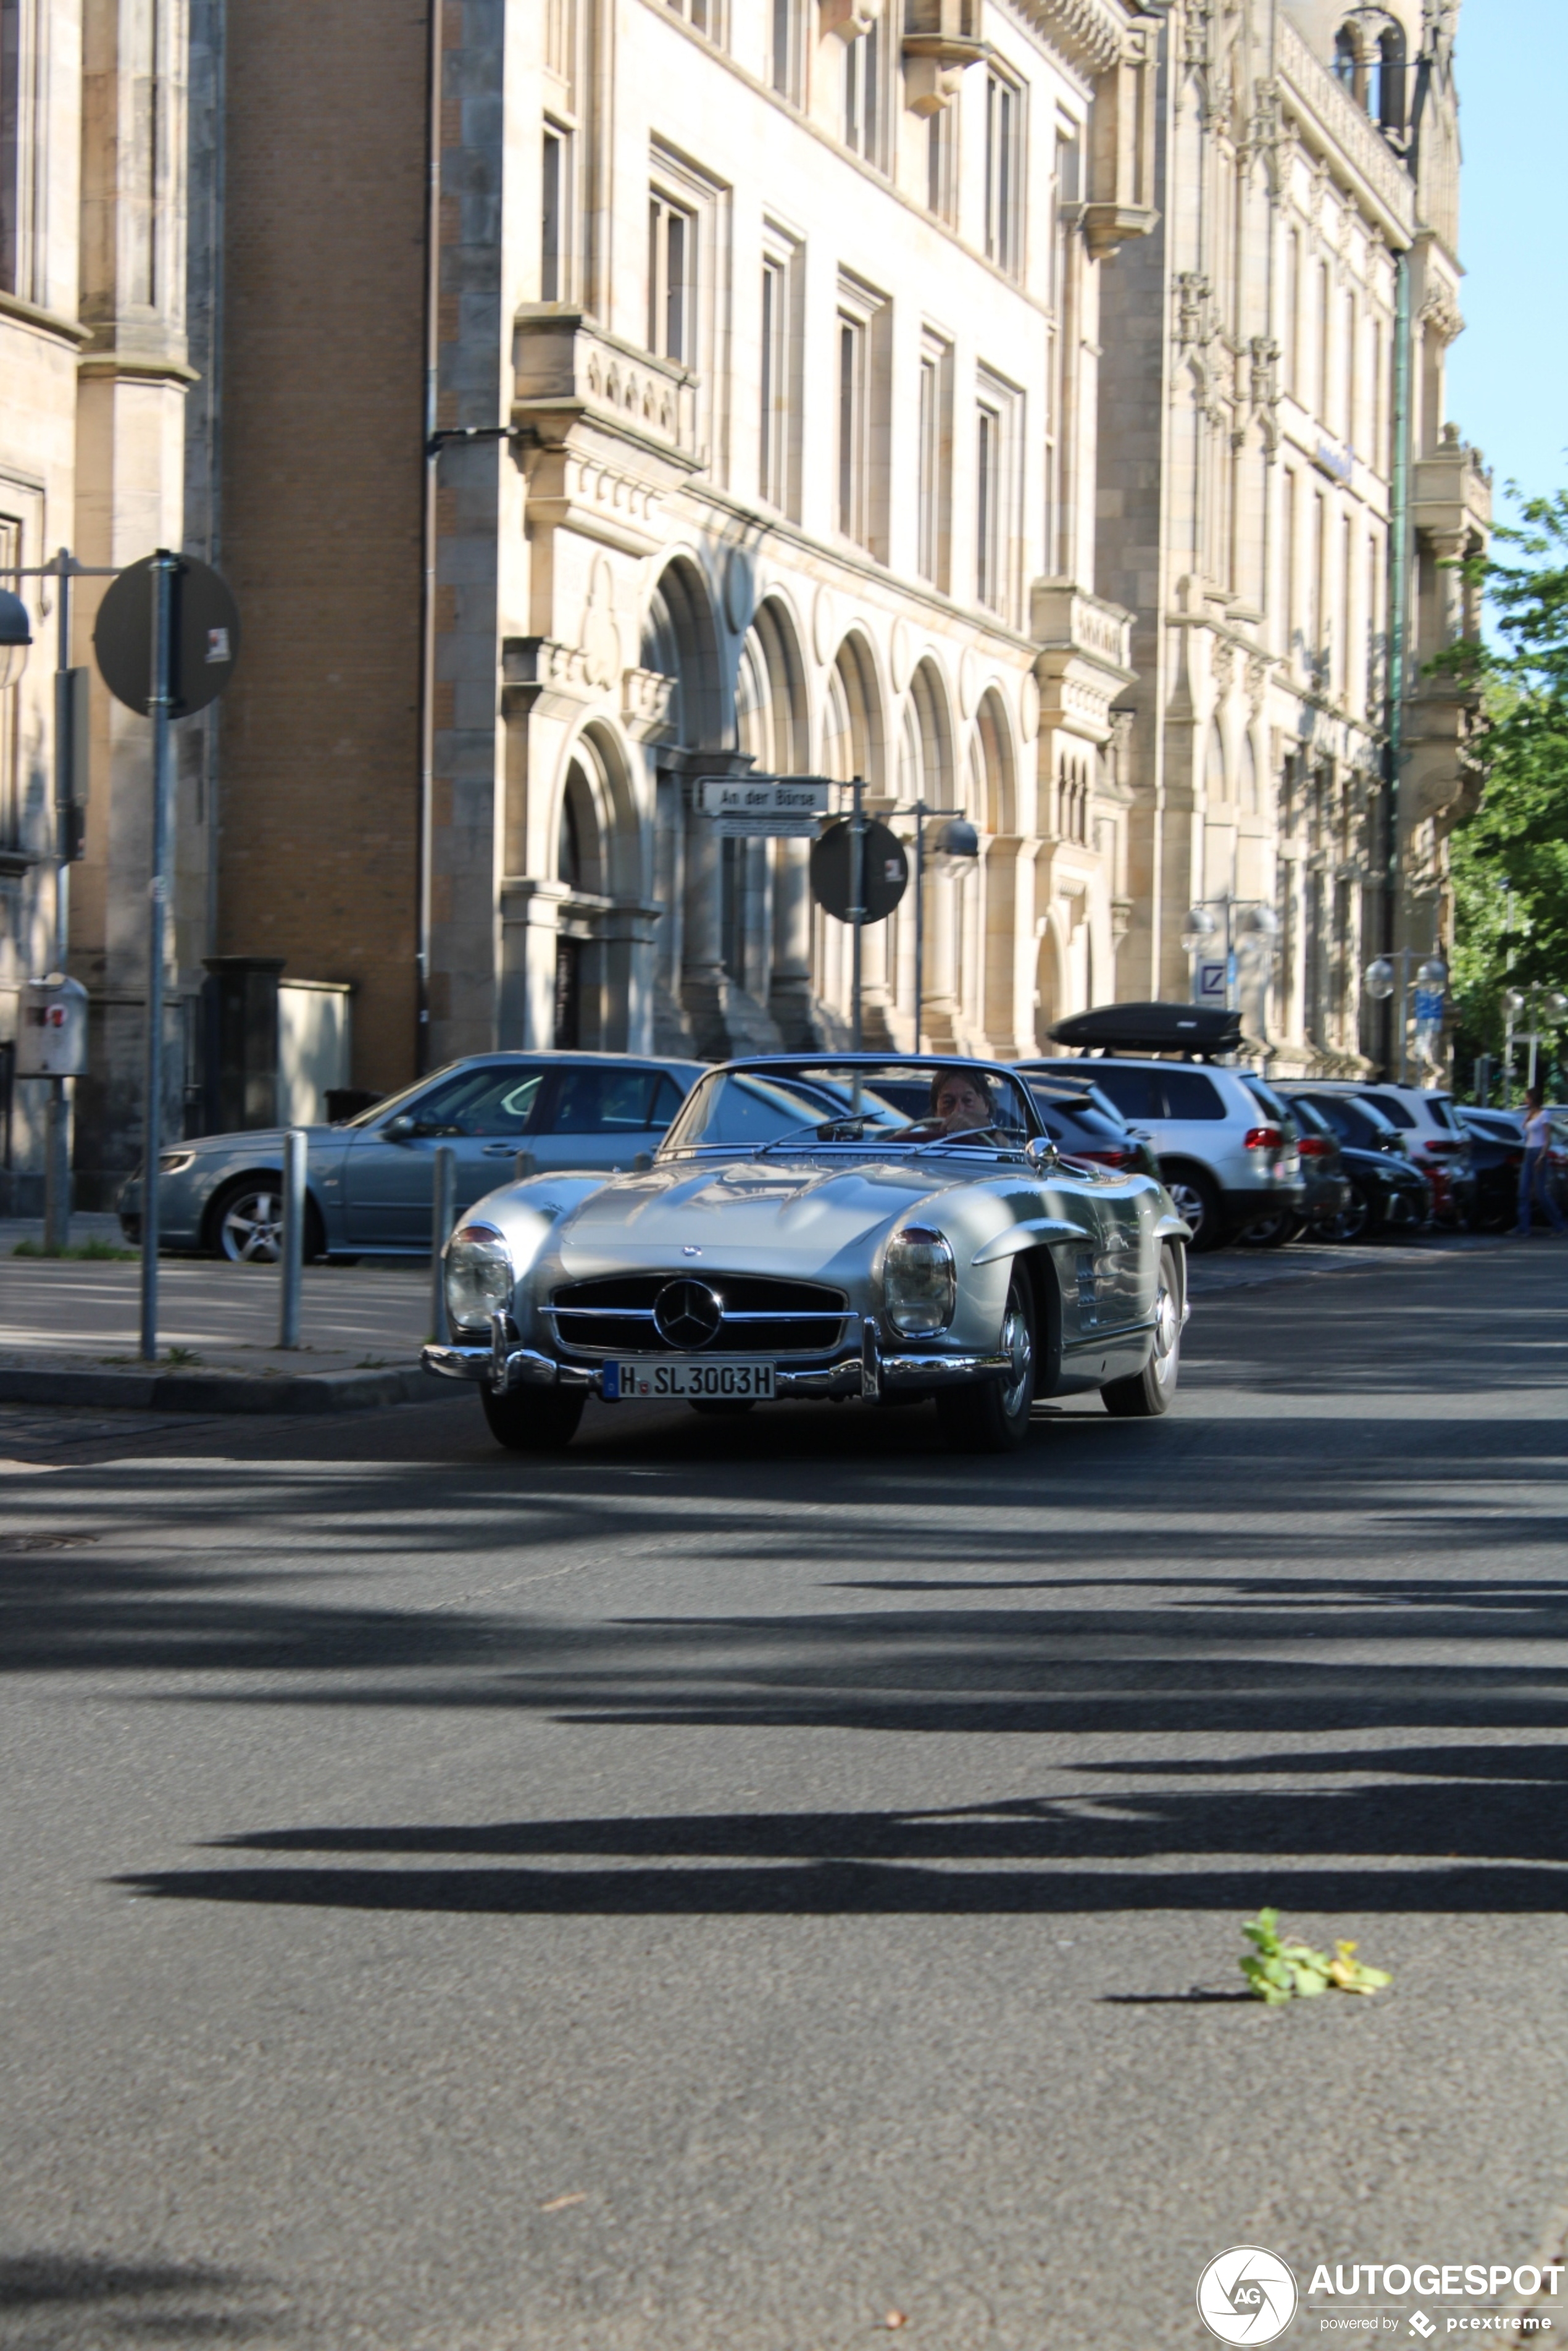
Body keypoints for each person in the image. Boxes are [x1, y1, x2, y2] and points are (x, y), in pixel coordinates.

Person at [1514, 1087, 1567, 1235]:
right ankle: (1523, 1227)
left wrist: (1542, 1157)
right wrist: (1528, 1117)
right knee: (1523, 1191)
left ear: (1533, 1099)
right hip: (1528, 1151)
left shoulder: (1545, 1114)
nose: (1525, 1100)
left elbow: (1547, 1138)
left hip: (1538, 1153)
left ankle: (1559, 1224)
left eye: (1527, 1098)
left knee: (1540, 1193)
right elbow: (1525, 1129)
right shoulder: (1530, 1114)